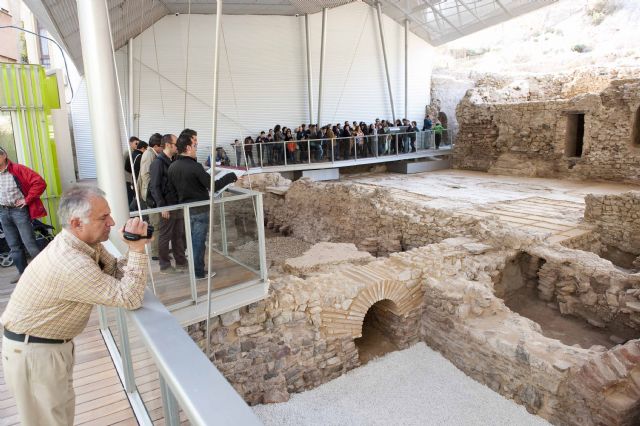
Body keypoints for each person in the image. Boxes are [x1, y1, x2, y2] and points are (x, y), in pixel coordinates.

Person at [1, 185, 149, 426]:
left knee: (59, 416)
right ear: (77, 223)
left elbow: (113, 271)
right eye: (104, 217)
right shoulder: (70, 262)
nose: (112, 222)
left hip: (45, 347)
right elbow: (130, 298)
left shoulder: (84, 244)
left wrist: (134, 249)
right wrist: (137, 248)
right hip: (35, 353)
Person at [167, 132, 237, 280]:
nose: (196, 148)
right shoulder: (195, 167)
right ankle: (198, 272)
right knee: (198, 243)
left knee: (191, 241)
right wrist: (232, 176)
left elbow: (171, 192)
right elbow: (214, 185)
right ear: (187, 147)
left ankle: (194, 269)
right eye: (195, 145)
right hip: (199, 210)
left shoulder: (172, 166)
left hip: (185, 211)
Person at [0, 147, 46, 283]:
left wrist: (27, 199)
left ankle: (44, 273)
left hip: (18, 211)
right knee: (13, 245)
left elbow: (40, 183)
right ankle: (23, 273)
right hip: (3, 212)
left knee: (29, 243)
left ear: (4, 156)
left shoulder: (18, 169)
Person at [149, 134, 187, 273]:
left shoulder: (172, 160)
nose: (178, 146)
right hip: (167, 206)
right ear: (168, 145)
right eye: (176, 143)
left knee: (179, 234)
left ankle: (181, 262)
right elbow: (155, 186)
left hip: (176, 204)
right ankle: (164, 265)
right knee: (165, 236)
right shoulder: (158, 163)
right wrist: (162, 206)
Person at [124, 136, 140, 204]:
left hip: (132, 178)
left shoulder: (134, 152)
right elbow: (127, 166)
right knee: (130, 197)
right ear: (130, 143)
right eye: (136, 143)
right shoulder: (128, 153)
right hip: (128, 179)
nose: (137, 145)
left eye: (138, 144)